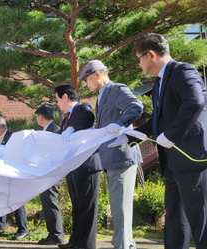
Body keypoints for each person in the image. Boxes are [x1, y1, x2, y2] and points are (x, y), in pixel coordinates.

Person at [133, 33, 207, 249]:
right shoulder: (159, 82)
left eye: (139, 59)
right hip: (171, 162)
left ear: (151, 55)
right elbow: (158, 121)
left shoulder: (183, 71)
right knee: (174, 219)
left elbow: (195, 102)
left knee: (200, 220)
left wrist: (172, 134)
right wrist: (126, 134)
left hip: (191, 159)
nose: (139, 65)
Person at [80, 59, 143, 249]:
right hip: (112, 158)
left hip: (121, 157)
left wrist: (120, 124)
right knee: (118, 208)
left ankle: (123, 246)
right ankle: (124, 244)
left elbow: (136, 106)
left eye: (87, 79)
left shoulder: (115, 89)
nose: (85, 84)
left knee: (121, 209)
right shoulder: (102, 94)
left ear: (98, 74)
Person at [55, 85, 101, 249]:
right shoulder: (66, 118)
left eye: (58, 99)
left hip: (87, 165)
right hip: (73, 166)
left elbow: (88, 118)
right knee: (78, 205)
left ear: (65, 97)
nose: (57, 103)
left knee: (87, 206)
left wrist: (72, 128)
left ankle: (87, 245)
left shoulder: (83, 107)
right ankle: (75, 241)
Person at [0, 116, 29, 240]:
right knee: (0, 197)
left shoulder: (13, 138)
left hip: (15, 174)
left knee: (17, 201)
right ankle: (0, 226)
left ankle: (23, 229)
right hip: (2, 174)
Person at [34, 104, 64, 245]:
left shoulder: (54, 131)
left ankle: (56, 235)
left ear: (40, 117)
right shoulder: (51, 129)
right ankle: (53, 233)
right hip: (48, 172)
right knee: (48, 200)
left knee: (50, 200)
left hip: (53, 172)